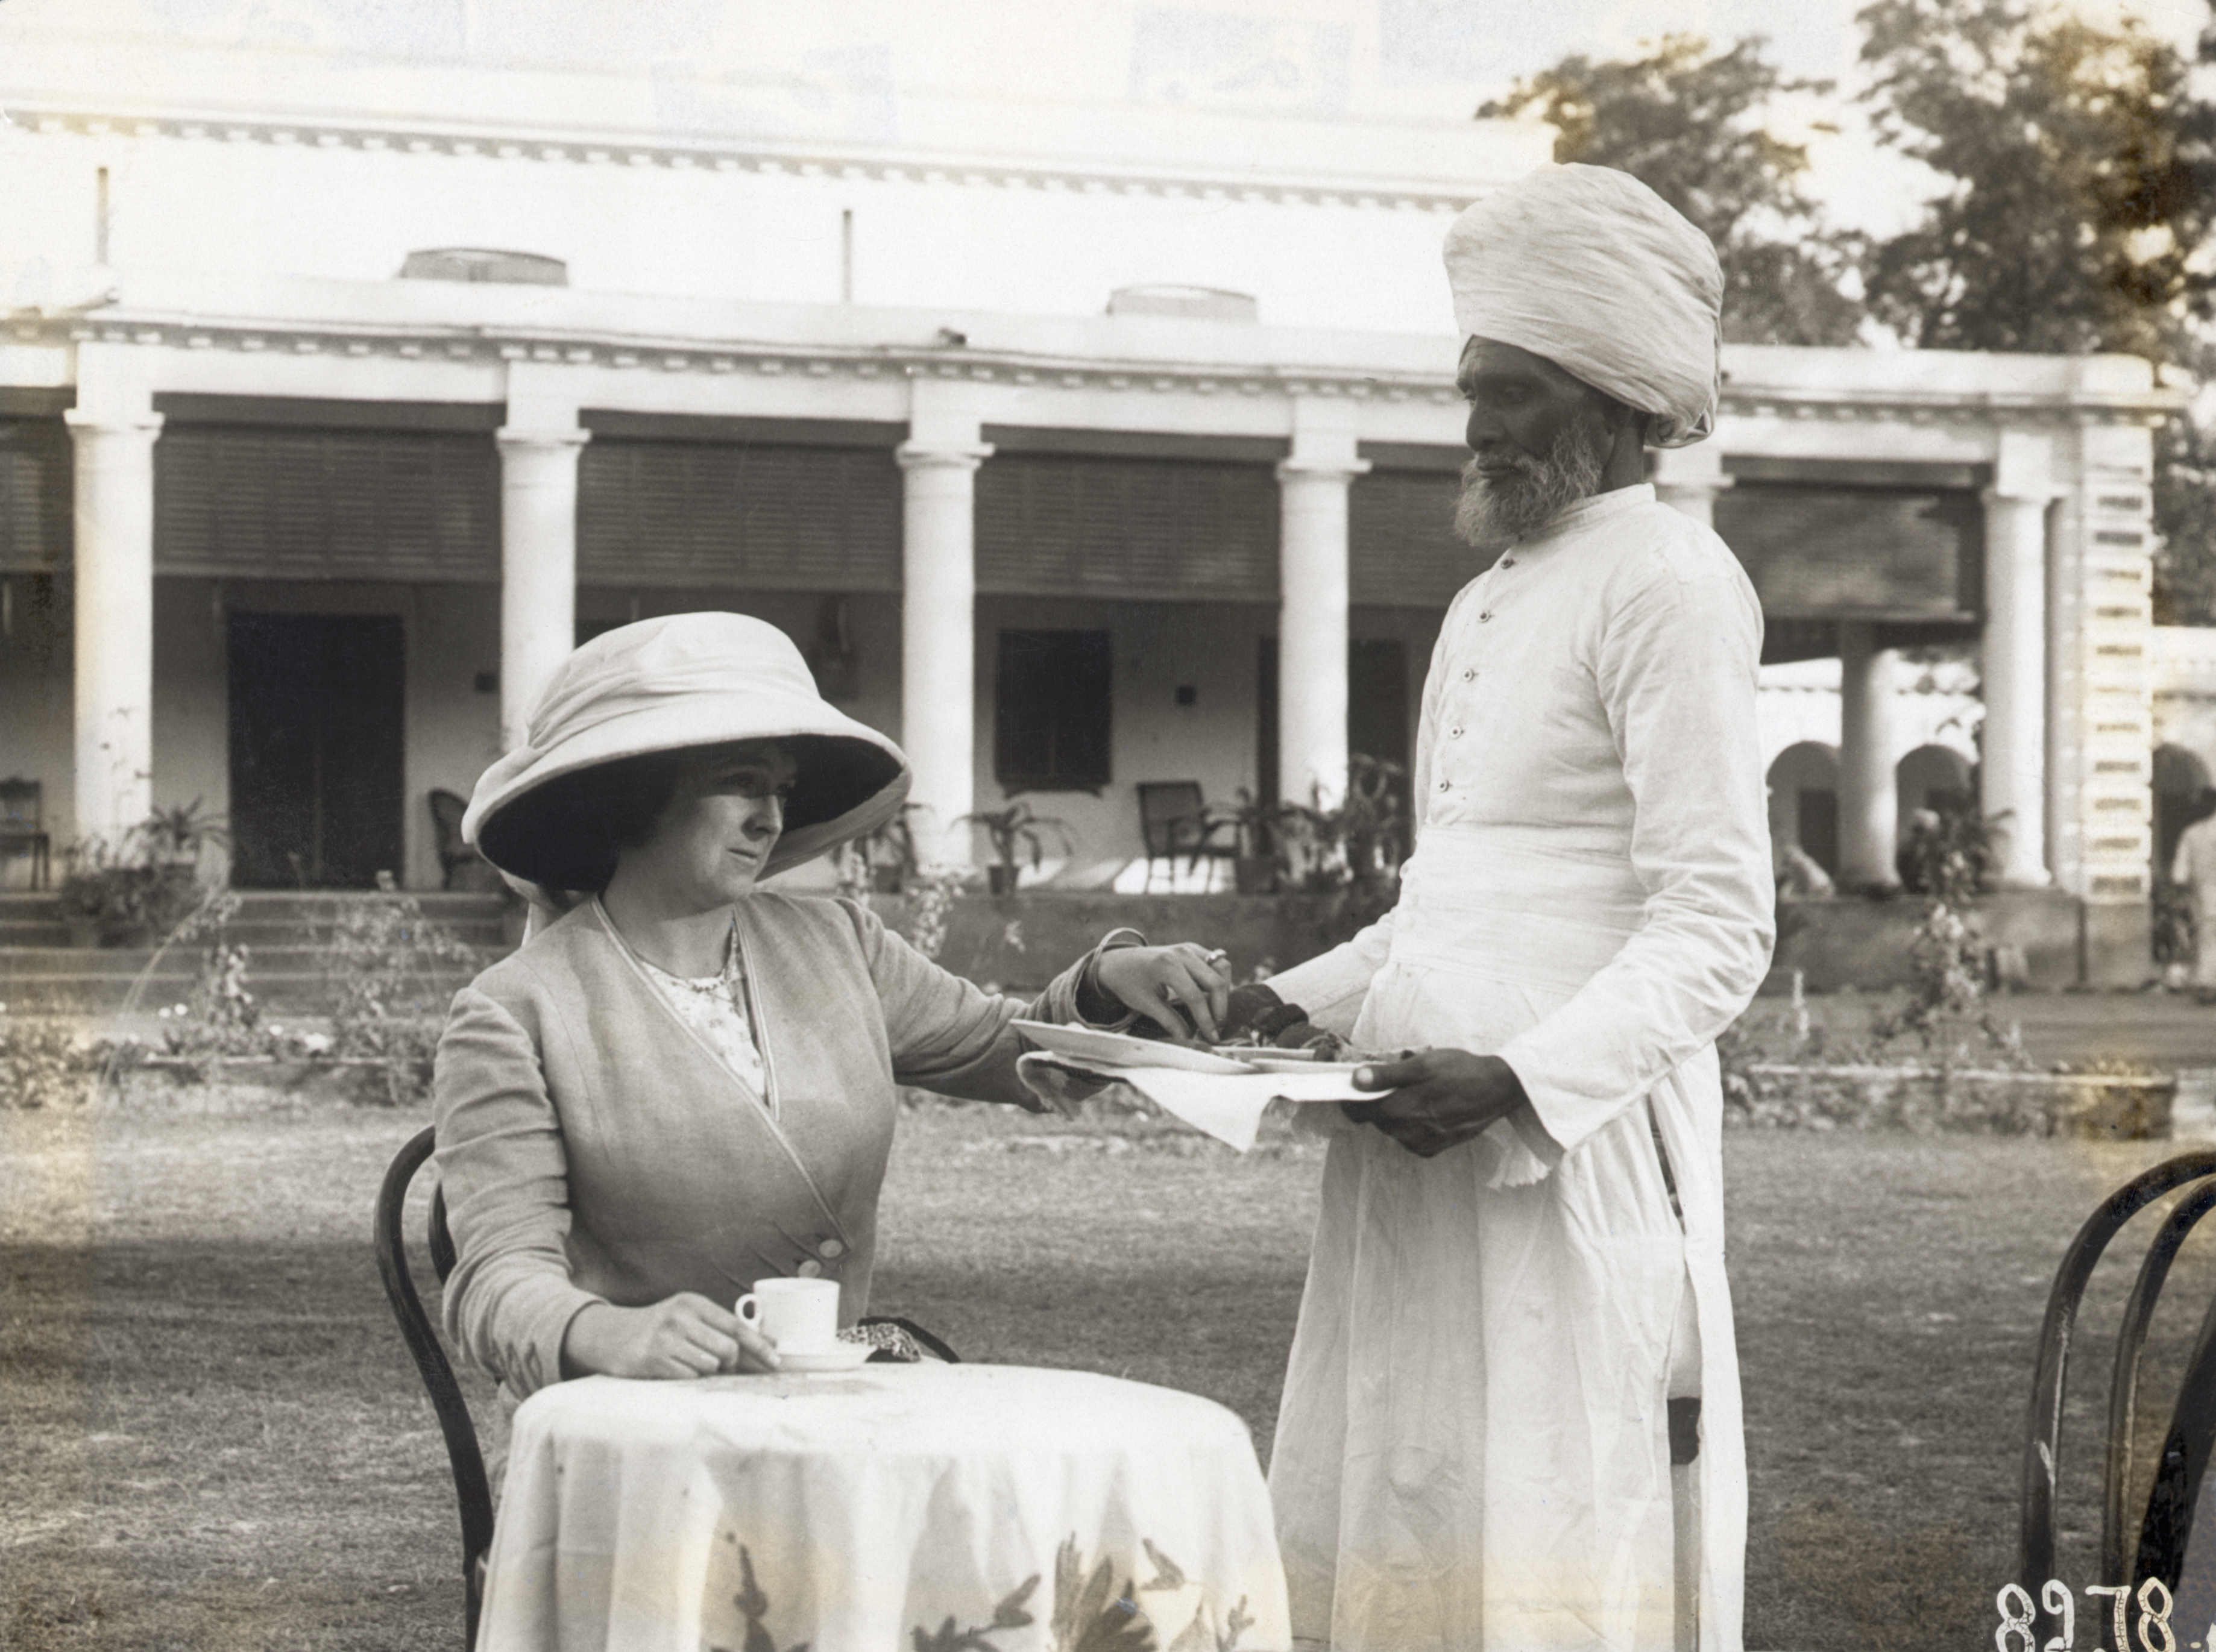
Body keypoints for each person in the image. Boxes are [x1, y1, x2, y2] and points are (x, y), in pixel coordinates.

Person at [1223, 165, 1775, 1651]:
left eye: (1512, 393)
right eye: (1471, 389)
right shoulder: (1483, 600)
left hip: (1567, 1150)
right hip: (1414, 1138)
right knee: (1409, 1474)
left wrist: (1524, 1082)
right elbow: (1446, 902)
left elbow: (1718, 920)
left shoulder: (1670, 579)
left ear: (1610, 401)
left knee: (1558, 1482)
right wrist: (1284, 1008)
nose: (1473, 427)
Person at [433, 611, 1231, 1396]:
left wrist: (1104, 982)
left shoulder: (838, 942)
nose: (772, 817)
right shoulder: (513, 1012)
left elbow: (1009, 1053)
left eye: (780, 788)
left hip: (829, 1400)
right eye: (740, 783)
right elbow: (497, 1278)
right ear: (632, 793)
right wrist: (607, 1333)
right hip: (625, 1432)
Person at [2171, 787, 2216, 1003]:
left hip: (2205, 898)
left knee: (2208, 940)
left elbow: (2180, 875)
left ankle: (2208, 985)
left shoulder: (2193, 833)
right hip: (2206, 896)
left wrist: (2181, 897)